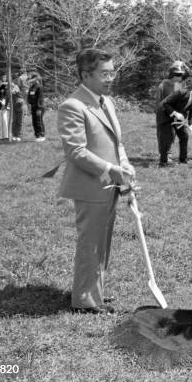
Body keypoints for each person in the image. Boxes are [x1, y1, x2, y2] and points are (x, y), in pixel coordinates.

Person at [57, 48, 135, 314]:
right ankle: (85, 300)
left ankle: (95, 291)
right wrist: (111, 169)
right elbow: (76, 151)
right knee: (90, 244)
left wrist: (123, 162)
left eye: (112, 72)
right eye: (105, 73)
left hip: (110, 183)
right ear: (85, 74)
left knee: (103, 241)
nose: (111, 78)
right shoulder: (72, 106)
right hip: (91, 186)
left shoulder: (106, 101)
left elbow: (116, 141)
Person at [159, 83, 192, 165]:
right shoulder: (181, 93)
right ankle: (163, 162)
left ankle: (183, 159)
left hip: (180, 119)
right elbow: (165, 103)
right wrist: (175, 113)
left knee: (184, 136)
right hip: (167, 116)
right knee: (168, 138)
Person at [155, 61, 188, 164]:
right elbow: (159, 104)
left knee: (183, 135)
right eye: (179, 75)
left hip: (176, 115)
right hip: (165, 116)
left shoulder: (178, 86)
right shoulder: (163, 86)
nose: (181, 78)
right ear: (174, 75)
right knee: (165, 137)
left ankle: (182, 159)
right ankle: (164, 158)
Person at [27, 71, 46, 141]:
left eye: (32, 78)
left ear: (35, 79)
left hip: (39, 107)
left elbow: (40, 98)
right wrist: (29, 104)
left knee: (39, 121)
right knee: (34, 121)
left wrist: (39, 108)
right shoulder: (32, 86)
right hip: (33, 106)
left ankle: (42, 135)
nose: (30, 80)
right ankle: (37, 135)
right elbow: (29, 96)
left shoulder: (39, 87)